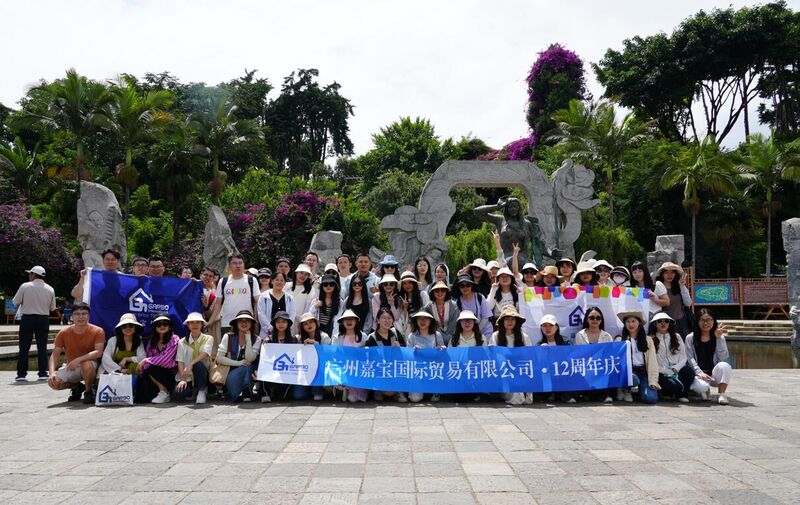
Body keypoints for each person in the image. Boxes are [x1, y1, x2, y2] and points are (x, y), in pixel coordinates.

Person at [47, 302, 104, 403]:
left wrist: (78, 359)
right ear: (72, 316)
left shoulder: (98, 331)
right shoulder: (63, 332)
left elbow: (98, 352)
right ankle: (77, 387)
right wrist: (51, 373)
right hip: (72, 366)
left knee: (86, 363)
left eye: (84, 313)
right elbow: (55, 354)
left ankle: (89, 391)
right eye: (77, 314)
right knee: (53, 383)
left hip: (91, 365)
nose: (81, 317)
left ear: (89, 315)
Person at [13, 265, 56, 381]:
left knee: (24, 347)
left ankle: (21, 374)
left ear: (33, 274)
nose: (29, 275)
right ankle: (42, 373)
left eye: (30, 274)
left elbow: (15, 302)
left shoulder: (25, 286)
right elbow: (52, 308)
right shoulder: (50, 289)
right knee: (42, 347)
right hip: (43, 319)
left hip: (27, 318)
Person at [685, 308, 733, 405]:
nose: (706, 323)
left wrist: (719, 339)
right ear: (697, 321)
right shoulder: (690, 338)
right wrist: (699, 372)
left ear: (713, 321)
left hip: (714, 375)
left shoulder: (719, 337)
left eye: (709, 320)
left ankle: (722, 394)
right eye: (702, 320)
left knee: (725, 366)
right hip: (698, 374)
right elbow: (689, 357)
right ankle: (705, 390)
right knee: (701, 387)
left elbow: (723, 357)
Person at [208, 253, 261, 336]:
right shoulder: (223, 281)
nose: (238, 266)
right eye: (234, 263)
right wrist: (210, 321)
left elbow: (258, 301)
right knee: (228, 348)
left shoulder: (251, 280)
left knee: (247, 348)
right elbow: (218, 304)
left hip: (247, 323)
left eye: (240, 263)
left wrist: (257, 321)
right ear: (229, 265)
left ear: (244, 265)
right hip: (227, 323)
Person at [488, 306, 532, 405]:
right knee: (515, 395)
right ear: (502, 321)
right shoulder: (496, 336)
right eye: (507, 319)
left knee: (525, 397)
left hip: (521, 371)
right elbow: (495, 357)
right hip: (504, 372)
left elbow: (529, 356)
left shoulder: (524, 337)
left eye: (513, 319)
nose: (510, 322)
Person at [615, 311, 660, 404]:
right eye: (628, 321)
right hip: (630, 372)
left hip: (644, 372)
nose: (631, 324)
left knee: (651, 398)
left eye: (633, 321)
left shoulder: (648, 340)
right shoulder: (620, 339)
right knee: (633, 379)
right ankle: (625, 390)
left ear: (639, 323)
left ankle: (641, 391)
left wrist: (653, 381)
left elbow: (652, 361)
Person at [254, 311, 299, 403]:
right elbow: (263, 360)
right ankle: (265, 392)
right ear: (274, 324)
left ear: (288, 324)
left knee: (282, 396)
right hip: (271, 370)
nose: (281, 324)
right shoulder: (268, 340)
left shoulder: (294, 340)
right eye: (278, 322)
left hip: (286, 371)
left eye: (284, 322)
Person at [216, 310, 260, 403]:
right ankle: (235, 391)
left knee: (248, 366)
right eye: (241, 321)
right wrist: (238, 363)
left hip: (248, 373)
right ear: (236, 323)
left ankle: (246, 392)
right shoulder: (228, 337)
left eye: (247, 320)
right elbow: (219, 358)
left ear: (252, 323)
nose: (244, 323)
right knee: (246, 366)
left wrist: (248, 339)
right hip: (230, 373)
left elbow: (250, 358)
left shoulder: (257, 339)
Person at [650, 312, 694, 403]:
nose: (663, 323)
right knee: (671, 385)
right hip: (661, 372)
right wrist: (665, 370)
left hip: (677, 370)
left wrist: (676, 368)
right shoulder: (650, 339)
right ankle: (668, 392)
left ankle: (682, 394)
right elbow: (650, 361)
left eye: (666, 321)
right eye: (660, 321)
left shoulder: (676, 336)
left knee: (688, 371)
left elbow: (684, 356)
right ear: (655, 323)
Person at [365, 308, 407, 402]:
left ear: (392, 320)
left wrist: (400, 347)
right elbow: (369, 359)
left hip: (396, 370)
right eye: (383, 318)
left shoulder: (395, 333)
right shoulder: (371, 338)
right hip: (380, 370)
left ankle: (399, 392)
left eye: (389, 318)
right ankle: (378, 390)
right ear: (378, 320)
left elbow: (406, 350)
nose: (387, 321)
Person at [136, 315, 179, 404]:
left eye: (165, 324)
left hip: (170, 373)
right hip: (154, 376)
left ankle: (164, 392)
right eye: (159, 324)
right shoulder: (152, 341)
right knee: (142, 391)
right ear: (155, 327)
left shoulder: (174, 339)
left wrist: (146, 360)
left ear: (169, 326)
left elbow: (166, 360)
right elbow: (148, 359)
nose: (162, 326)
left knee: (150, 366)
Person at [575, 307, 614, 403]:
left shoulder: (607, 336)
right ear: (587, 319)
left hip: (601, 368)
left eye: (598, 318)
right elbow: (579, 354)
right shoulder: (580, 335)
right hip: (585, 368)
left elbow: (610, 355)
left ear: (601, 320)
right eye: (592, 318)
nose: (595, 320)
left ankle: (604, 395)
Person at [406, 310, 446, 403]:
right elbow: (407, 355)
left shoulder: (437, 335)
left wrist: (442, 348)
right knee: (414, 399)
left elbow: (443, 352)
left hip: (433, 370)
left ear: (431, 320)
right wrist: (413, 350)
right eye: (419, 318)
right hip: (417, 371)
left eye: (426, 319)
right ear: (416, 321)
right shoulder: (411, 336)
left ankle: (435, 391)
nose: (422, 321)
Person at [173, 312, 213, 404]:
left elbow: (205, 353)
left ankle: (202, 390)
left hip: (204, 373)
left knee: (198, 364)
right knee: (179, 394)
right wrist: (183, 379)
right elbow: (180, 361)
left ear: (202, 324)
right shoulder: (182, 342)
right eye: (191, 322)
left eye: (198, 322)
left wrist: (191, 364)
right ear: (188, 325)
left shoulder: (208, 338)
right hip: (188, 375)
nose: (195, 325)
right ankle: (192, 391)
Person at [331, 310, 368, 402]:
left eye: (351, 319)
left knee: (352, 399)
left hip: (358, 371)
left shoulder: (363, 336)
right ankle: (344, 389)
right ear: (342, 322)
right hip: (342, 369)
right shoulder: (337, 337)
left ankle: (351, 390)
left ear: (356, 321)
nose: (349, 321)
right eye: (346, 319)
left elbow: (367, 355)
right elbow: (334, 356)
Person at [538, 314, 575, 403]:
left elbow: (572, 357)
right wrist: (541, 352)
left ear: (556, 327)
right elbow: (538, 363)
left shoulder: (566, 342)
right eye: (544, 325)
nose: (547, 328)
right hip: (548, 373)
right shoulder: (539, 344)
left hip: (563, 372)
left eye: (551, 325)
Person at [294, 312, 329, 401]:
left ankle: (318, 390)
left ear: (316, 323)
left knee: (317, 396)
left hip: (319, 368)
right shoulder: (298, 338)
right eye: (305, 324)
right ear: (302, 327)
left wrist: (316, 345)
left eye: (311, 322)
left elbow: (328, 354)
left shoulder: (324, 336)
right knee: (299, 396)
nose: (309, 325)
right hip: (303, 369)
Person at [99, 313, 145, 377]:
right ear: (120, 328)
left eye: (131, 325)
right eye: (124, 326)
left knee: (136, 366)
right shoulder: (113, 340)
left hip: (130, 372)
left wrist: (127, 358)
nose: (128, 328)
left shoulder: (139, 341)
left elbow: (142, 358)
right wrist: (119, 369)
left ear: (135, 327)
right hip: (113, 372)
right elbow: (106, 359)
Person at [451, 275, 493, 342]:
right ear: (458, 288)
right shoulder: (458, 302)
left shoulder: (480, 297)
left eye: (468, 285)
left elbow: (486, 317)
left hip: (485, 332)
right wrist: (471, 333)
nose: (465, 288)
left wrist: (476, 331)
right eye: (462, 286)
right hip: (468, 334)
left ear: (472, 286)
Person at [654, 262, 692, 336]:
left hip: (681, 321)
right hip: (665, 322)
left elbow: (688, 303)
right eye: (666, 273)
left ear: (675, 274)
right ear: (662, 274)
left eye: (672, 272)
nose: (669, 275)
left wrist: (682, 286)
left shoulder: (679, 286)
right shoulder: (658, 287)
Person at [256, 271, 295, 340]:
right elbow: (261, 314)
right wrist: (271, 329)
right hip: (267, 334)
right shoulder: (263, 297)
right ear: (272, 281)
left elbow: (292, 314)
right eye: (276, 280)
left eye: (282, 280)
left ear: (285, 283)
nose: (279, 282)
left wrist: (285, 327)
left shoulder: (289, 298)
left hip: (285, 334)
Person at [423, 281, 459, 345]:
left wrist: (448, 338)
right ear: (432, 292)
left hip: (452, 338)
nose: (440, 292)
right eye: (437, 290)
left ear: (446, 292)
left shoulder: (454, 305)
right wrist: (439, 337)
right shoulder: (428, 307)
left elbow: (454, 324)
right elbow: (430, 325)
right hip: (434, 339)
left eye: (443, 290)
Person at [287, 263, 316, 328]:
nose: (303, 276)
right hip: (286, 319)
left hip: (302, 321)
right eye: (301, 273)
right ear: (296, 273)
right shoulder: (287, 286)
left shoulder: (310, 289)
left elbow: (309, 306)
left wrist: (302, 319)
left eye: (306, 274)